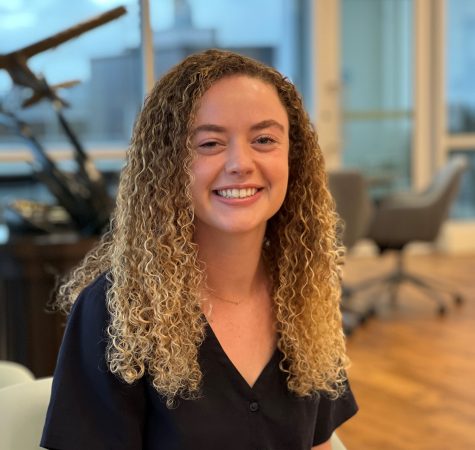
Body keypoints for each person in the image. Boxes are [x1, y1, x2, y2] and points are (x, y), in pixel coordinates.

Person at [41, 49, 357, 450]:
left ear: (293, 156)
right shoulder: (116, 311)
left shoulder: (304, 292)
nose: (241, 162)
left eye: (264, 139)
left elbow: (319, 443)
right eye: (209, 143)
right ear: (168, 165)